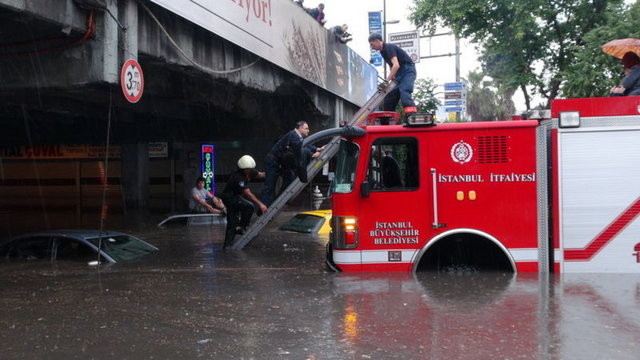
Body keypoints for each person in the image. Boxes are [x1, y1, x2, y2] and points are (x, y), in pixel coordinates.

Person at [260, 121, 324, 206]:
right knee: (270, 185)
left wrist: (317, 149)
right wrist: (312, 154)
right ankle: (265, 207)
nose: (308, 130)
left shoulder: (297, 137)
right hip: (273, 161)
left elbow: (304, 145)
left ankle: (279, 200)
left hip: (280, 161)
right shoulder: (293, 135)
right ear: (300, 128)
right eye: (306, 128)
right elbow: (299, 148)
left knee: (289, 177)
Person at [218, 155, 267, 249]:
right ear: (243, 169)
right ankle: (231, 241)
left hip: (236, 196)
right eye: (247, 170)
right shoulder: (237, 177)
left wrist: (273, 172)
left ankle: (239, 228)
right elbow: (248, 193)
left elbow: (260, 174)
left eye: (250, 169)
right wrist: (260, 204)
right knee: (247, 208)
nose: (249, 171)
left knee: (235, 219)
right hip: (229, 197)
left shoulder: (250, 171)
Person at [368, 33, 417, 118]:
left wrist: (386, 81)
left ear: (377, 41)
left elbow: (396, 65)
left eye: (372, 44)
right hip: (399, 74)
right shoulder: (382, 51)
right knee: (389, 97)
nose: (372, 47)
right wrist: (392, 79)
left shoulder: (389, 47)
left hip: (407, 71)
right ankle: (388, 120)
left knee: (404, 92)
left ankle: (412, 117)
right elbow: (391, 65)